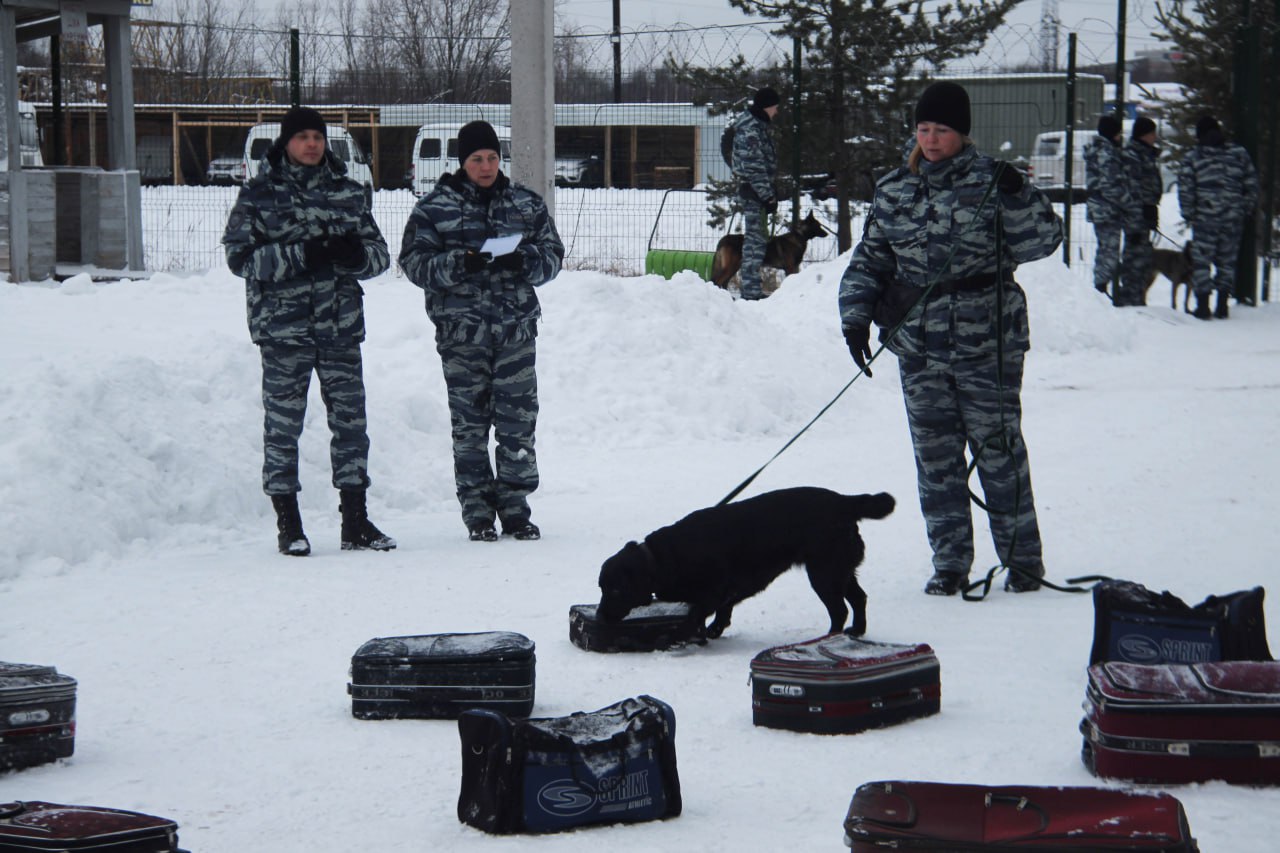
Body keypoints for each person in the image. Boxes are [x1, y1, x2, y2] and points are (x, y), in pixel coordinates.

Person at [837, 81, 1064, 596]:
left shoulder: (994, 182)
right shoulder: (896, 188)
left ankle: (1022, 563)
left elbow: (1044, 242)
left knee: (998, 453)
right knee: (936, 461)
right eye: (924, 129)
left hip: (988, 342)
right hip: (918, 345)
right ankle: (950, 563)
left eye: (942, 130)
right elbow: (872, 259)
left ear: (962, 133)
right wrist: (854, 315)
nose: (932, 139)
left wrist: (1020, 195)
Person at [224, 106, 396, 556]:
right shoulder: (259, 196)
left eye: (317, 137)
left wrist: (353, 256)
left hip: (340, 327)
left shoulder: (348, 192)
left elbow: (379, 256)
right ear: (286, 143)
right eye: (301, 136)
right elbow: (241, 260)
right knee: (283, 427)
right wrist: (302, 256)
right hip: (284, 331)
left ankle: (355, 522)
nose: (312, 144)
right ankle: (289, 524)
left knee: (351, 425)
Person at [399, 120, 565, 542]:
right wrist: (459, 263)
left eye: (492, 157)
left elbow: (552, 257)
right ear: (463, 162)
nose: (487, 166)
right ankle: (477, 512)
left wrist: (523, 260)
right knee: (470, 426)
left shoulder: (525, 204)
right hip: (462, 337)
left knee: (517, 423)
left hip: (515, 334)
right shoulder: (434, 208)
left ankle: (515, 510)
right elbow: (414, 265)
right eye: (477, 159)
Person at [1177, 115, 1260, 320]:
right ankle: (1222, 304)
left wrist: (1189, 213)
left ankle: (1203, 305)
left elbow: (1185, 189)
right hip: (1233, 218)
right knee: (1227, 262)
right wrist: (1244, 209)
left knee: (1201, 262)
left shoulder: (1193, 157)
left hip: (1205, 219)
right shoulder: (1238, 153)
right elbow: (1251, 183)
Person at [731, 86, 780, 301]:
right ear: (767, 107)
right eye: (775, 107)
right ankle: (750, 290)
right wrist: (767, 195)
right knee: (755, 241)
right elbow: (754, 166)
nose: (777, 112)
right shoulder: (751, 129)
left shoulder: (756, 126)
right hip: (754, 192)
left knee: (756, 239)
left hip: (756, 191)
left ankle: (751, 288)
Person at [1083, 114, 1131, 300]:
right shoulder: (1108, 153)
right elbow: (1110, 185)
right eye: (1118, 133)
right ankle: (1100, 292)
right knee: (1109, 252)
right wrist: (1127, 202)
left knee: (1104, 250)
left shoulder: (1096, 150)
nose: (1120, 137)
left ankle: (1100, 290)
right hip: (1108, 209)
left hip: (1099, 208)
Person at [1117, 116, 1163, 307]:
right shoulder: (1133, 155)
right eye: (1152, 133)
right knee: (1134, 256)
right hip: (1136, 215)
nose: (1155, 137)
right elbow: (1132, 189)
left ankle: (1135, 295)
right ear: (1144, 134)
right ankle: (1130, 296)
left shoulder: (1144, 154)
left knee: (1142, 256)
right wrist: (1139, 214)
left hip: (1144, 212)